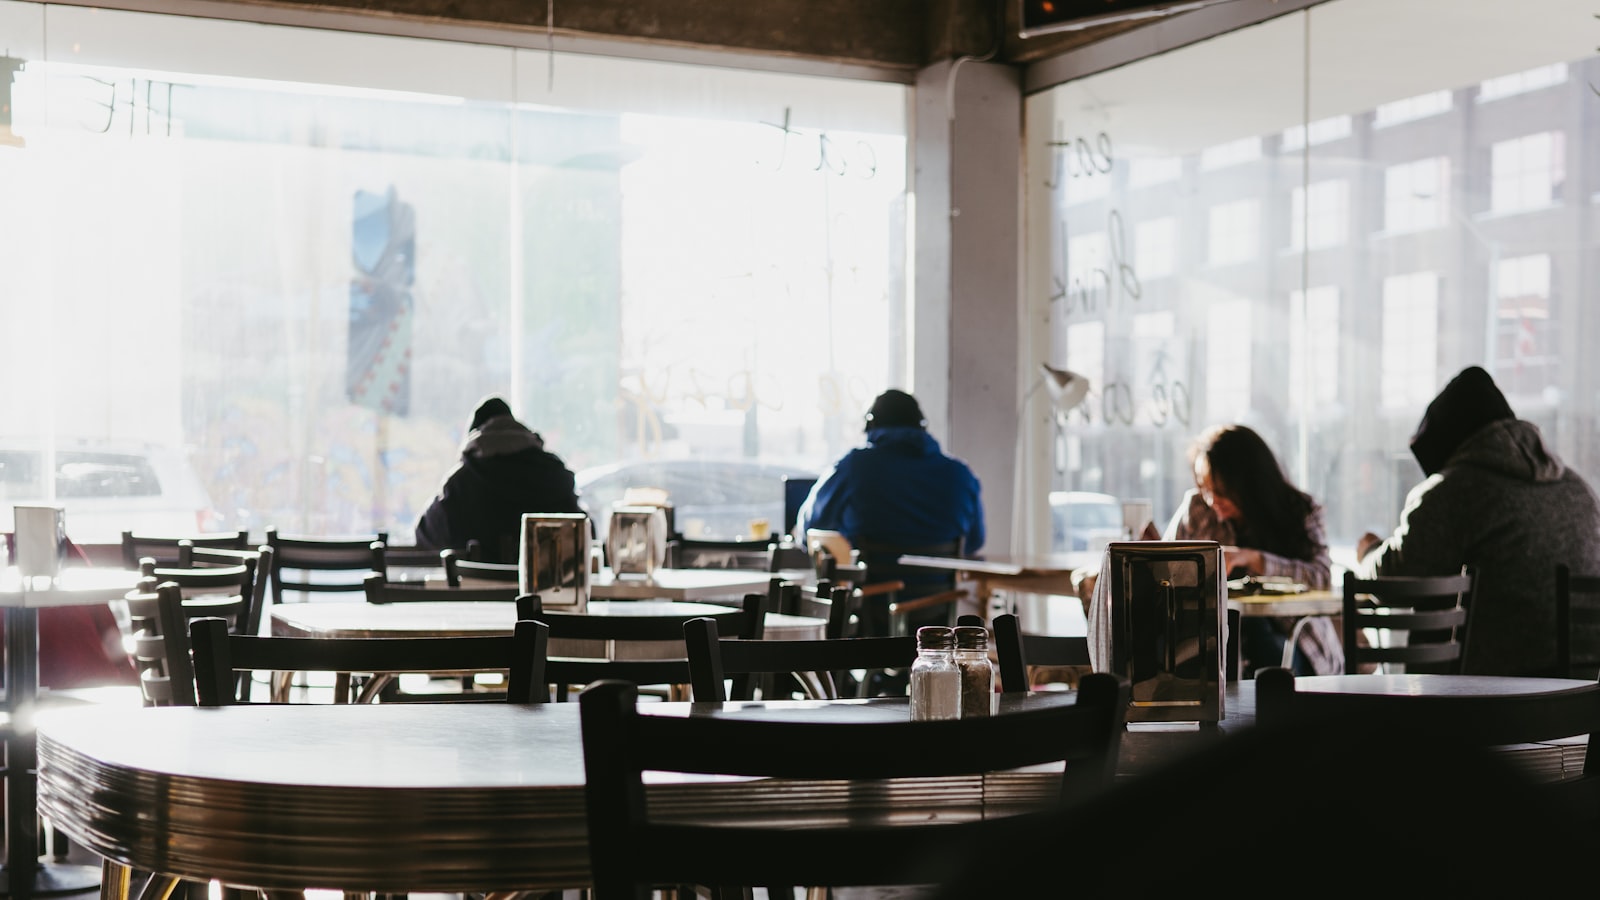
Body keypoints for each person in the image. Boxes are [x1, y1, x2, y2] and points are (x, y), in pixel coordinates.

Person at [1353, 366, 1600, 676]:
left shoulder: (1455, 491)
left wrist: (1368, 554)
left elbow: (1397, 582)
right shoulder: (1578, 489)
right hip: (1582, 692)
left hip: (1487, 693)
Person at [797, 389, 985, 635]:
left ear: (870, 425)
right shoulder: (960, 473)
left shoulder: (854, 466)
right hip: (938, 619)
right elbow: (974, 542)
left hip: (872, 615)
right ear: (923, 428)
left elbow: (809, 528)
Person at [1165, 423, 1333, 676]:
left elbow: (1321, 577)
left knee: (1259, 643)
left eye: (1220, 492)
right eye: (1205, 488)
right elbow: (1166, 569)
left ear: (1248, 485)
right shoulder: (1197, 510)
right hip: (1212, 641)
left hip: (1294, 637)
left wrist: (1255, 560)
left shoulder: (1299, 510)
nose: (1212, 500)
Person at [415, 396, 583, 565]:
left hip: (476, 589)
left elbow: (425, 534)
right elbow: (585, 536)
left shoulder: (460, 482)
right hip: (547, 589)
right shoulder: (553, 472)